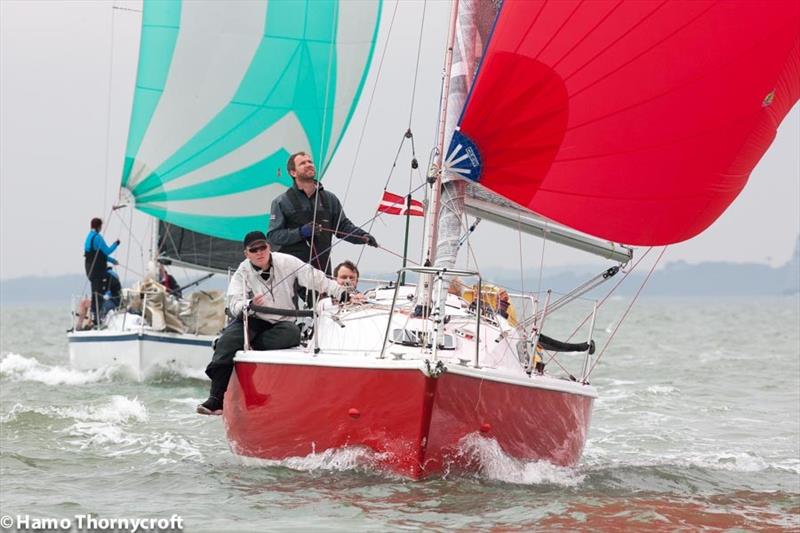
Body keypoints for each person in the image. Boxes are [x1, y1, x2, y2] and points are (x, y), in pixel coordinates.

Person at [197, 231, 363, 416]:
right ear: (247, 253)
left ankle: (246, 344)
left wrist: (343, 293)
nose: (260, 252)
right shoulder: (242, 271)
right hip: (253, 319)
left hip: (281, 323)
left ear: (269, 248)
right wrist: (249, 304)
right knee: (228, 342)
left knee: (292, 334)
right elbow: (234, 304)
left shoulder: (287, 262)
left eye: (263, 248)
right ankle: (216, 399)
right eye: (254, 250)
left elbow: (317, 278)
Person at [267, 152, 378, 275]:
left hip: (322, 270)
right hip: (292, 272)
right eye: (303, 163)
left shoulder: (329, 199)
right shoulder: (281, 202)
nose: (309, 165)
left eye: (310, 162)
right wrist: (301, 232)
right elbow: (274, 236)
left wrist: (362, 236)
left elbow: (342, 227)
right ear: (293, 173)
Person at [83, 217, 120, 325]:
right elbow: (107, 251)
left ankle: (95, 316)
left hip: (89, 269)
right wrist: (116, 243)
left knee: (95, 293)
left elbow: (99, 255)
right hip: (97, 270)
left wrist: (113, 261)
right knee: (112, 282)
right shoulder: (97, 238)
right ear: (99, 226)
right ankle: (98, 317)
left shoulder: (89, 237)